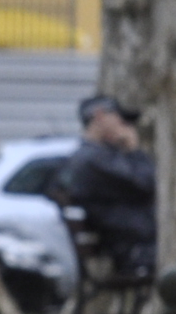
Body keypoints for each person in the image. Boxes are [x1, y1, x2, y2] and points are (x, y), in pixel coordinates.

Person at [59, 94, 158, 279]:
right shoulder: (95, 159)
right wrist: (133, 150)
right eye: (121, 120)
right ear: (100, 116)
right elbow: (148, 184)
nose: (126, 127)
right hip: (137, 251)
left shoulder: (97, 156)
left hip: (133, 245)